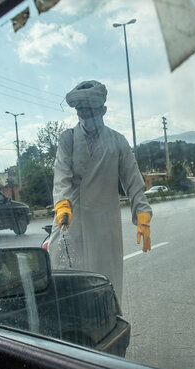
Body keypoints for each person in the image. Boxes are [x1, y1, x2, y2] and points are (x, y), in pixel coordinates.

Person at [48, 80, 152, 302]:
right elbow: (61, 176)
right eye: (81, 112)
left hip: (105, 228)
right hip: (71, 224)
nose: (85, 117)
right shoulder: (67, 139)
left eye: (91, 112)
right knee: (70, 292)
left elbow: (133, 181)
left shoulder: (118, 141)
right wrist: (62, 204)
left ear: (103, 110)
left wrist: (142, 214)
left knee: (105, 288)